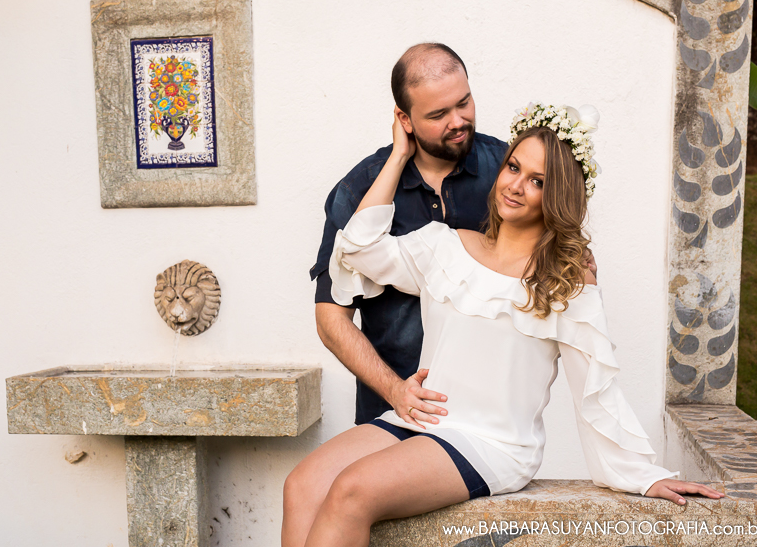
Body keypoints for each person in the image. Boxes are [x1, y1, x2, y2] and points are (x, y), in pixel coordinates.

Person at [283, 104, 724, 547]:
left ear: (557, 197)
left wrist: (642, 475)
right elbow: (359, 249)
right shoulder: (445, 247)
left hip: (493, 441)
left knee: (352, 490)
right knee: (302, 485)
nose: (516, 185)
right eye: (513, 167)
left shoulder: (565, 281)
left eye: (538, 181)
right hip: (421, 421)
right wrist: (400, 155)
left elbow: (595, 388)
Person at [310, 43, 521, 432]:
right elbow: (330, 319)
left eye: (464, 103)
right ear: (404, 119)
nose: (458, 121)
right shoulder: (359, 189)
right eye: (438, 115)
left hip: (489, 418)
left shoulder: (509, 173)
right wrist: (396, 391)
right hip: (392, 413)